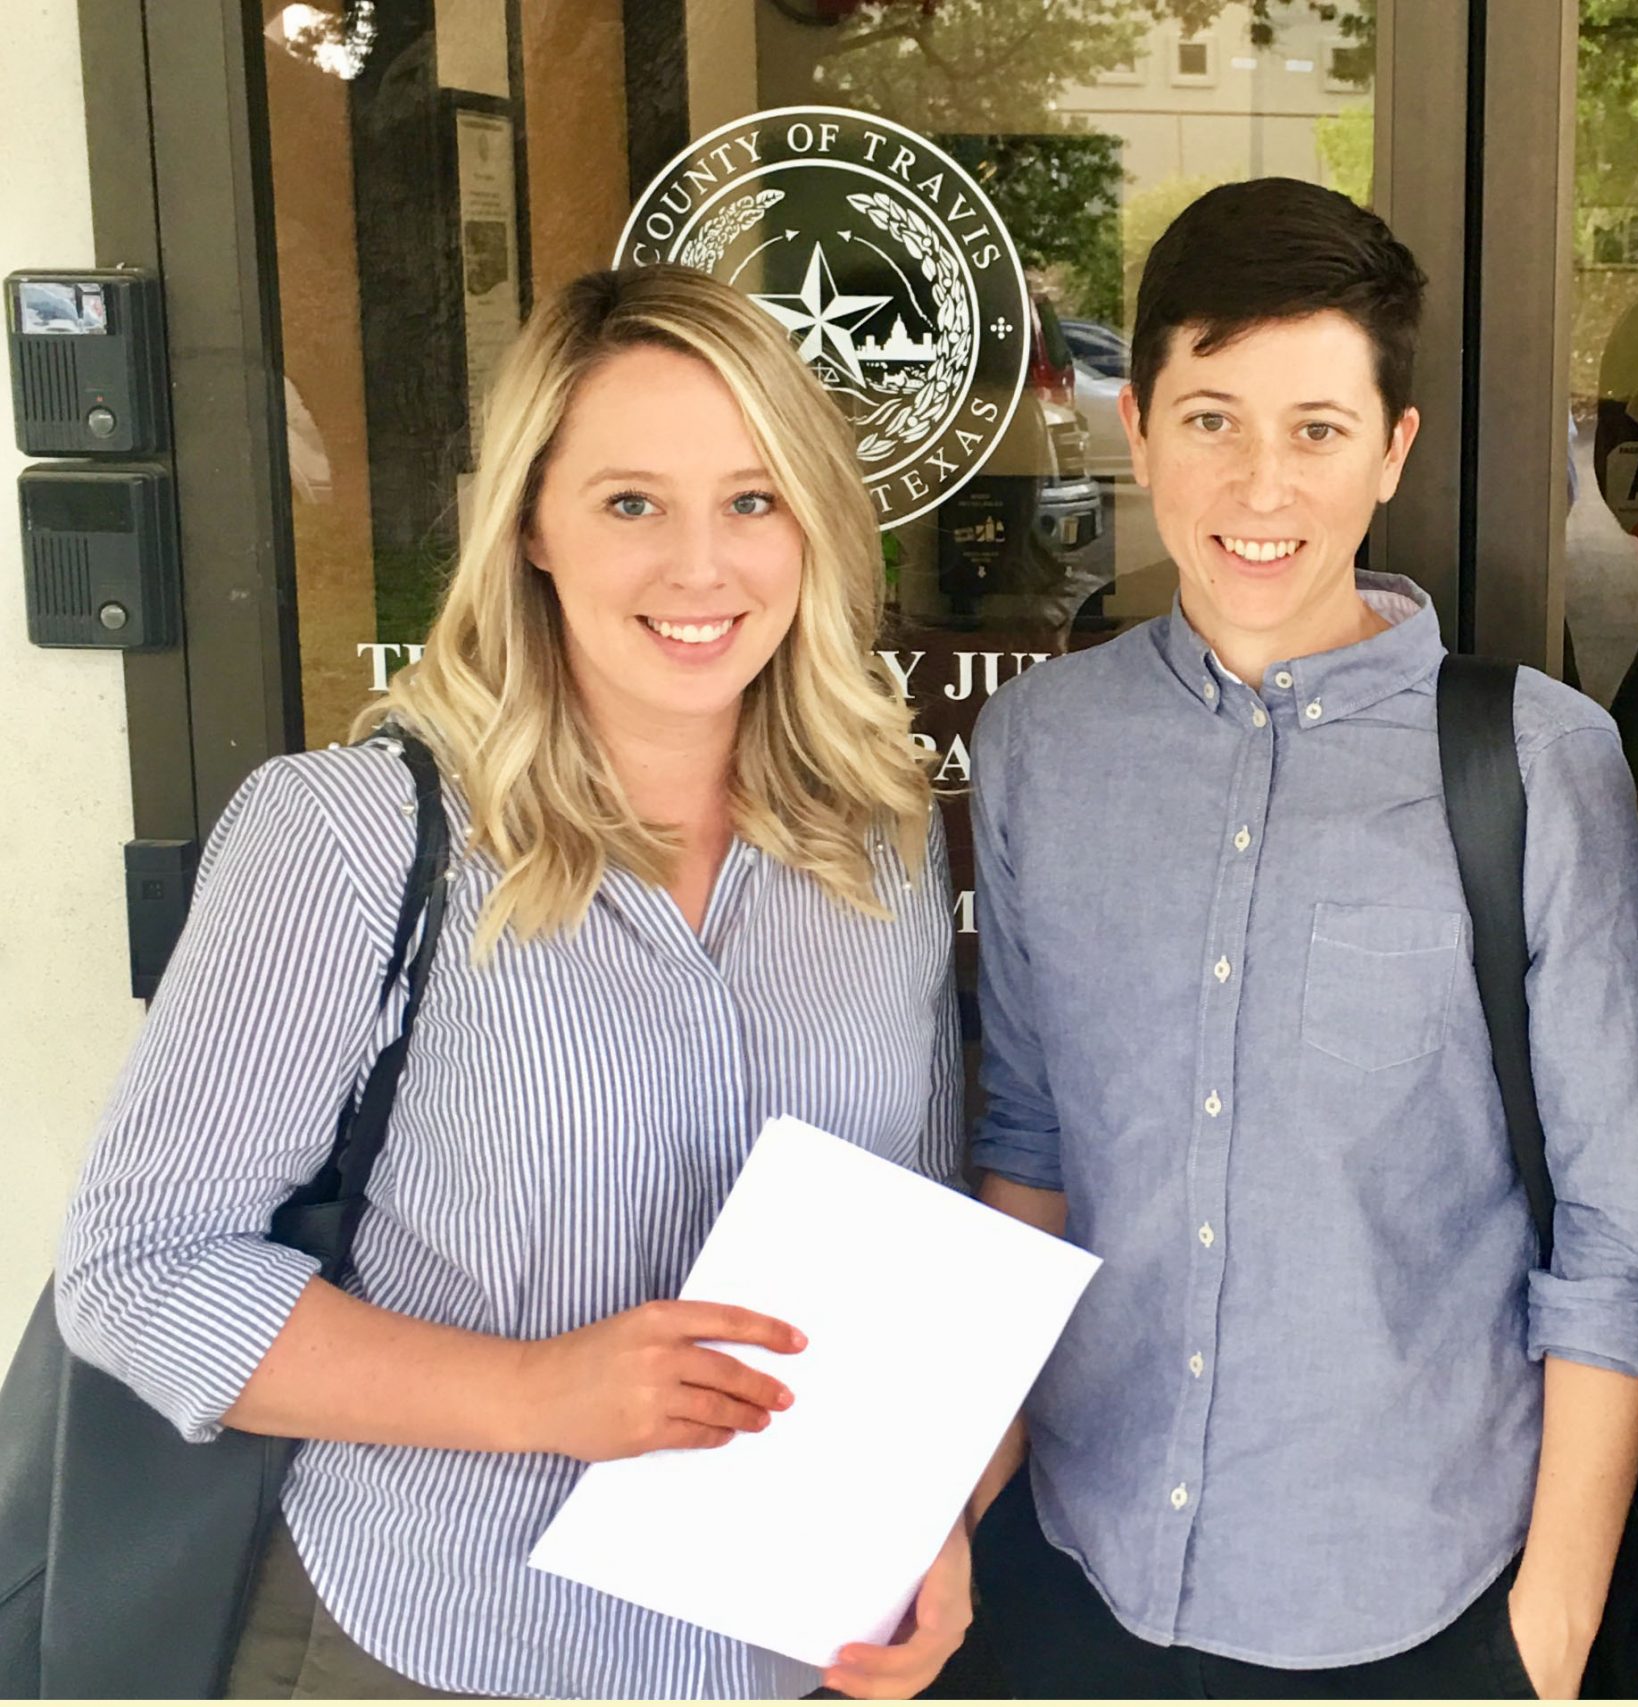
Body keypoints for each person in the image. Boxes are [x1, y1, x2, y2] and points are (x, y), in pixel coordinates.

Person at [53, 268, 970, 1701]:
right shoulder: (353, 836)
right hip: (444, 1635)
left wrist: (931, 1521)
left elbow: (916, 1248)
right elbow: (138, 1270)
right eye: (630, 503)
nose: (701, 567)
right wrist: (535, 1393)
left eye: (751, 499)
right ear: (532, 524)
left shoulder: (878, 847)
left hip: (783, 1648)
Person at [964, 178, 1638, 1699]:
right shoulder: (1039, 746)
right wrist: (965, 1488)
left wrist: (1553, 1627)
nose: (1262, 484)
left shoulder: (1536, 761)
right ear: (1138, 427)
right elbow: (1028, 1138)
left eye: (1318, 429)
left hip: (1418, 1588)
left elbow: (1617, 1230)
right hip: (1078, 1558)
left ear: (1392, 451)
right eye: (1211, 419)